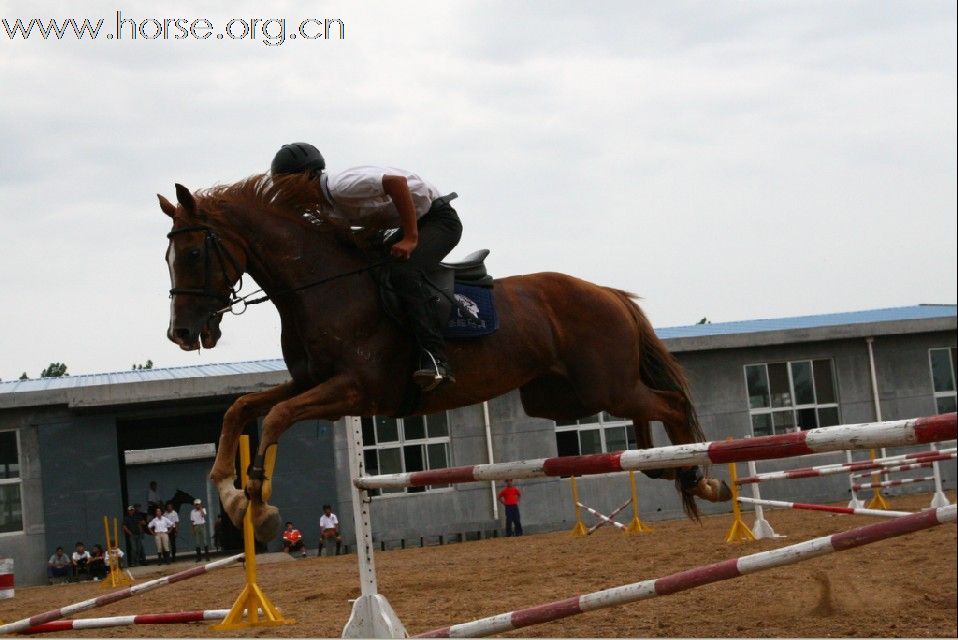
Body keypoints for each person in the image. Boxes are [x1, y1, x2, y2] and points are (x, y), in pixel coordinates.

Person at [270, 142, 463, 390]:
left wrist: (411, 239)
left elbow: (396, 183)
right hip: (411, 223)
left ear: (305, 177)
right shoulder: (326, 206)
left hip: (438, 221)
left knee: (404, 271)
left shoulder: (340, 186)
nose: (286, 194)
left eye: (286, 186)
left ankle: (436, 359)